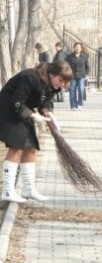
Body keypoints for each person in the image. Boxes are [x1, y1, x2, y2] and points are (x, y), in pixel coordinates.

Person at [0, 61, 73, 203]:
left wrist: (50, 116)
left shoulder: (53, 86)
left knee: (30, 146)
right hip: (7, 110)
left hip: (21, 110)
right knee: (16, 146)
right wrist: (33, 116)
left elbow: (44, 104)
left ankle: (28, 188)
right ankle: (7, 191)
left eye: (65, 82)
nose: (63, 84)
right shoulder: (30, 78)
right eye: (61, 80)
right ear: (52, 74)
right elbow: (16, 101)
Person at [65, 42, 89, 110]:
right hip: (72, 76)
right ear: (74, 48)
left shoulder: (84, 56)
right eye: (76, 47)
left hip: (81, 76)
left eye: (79, 47)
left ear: (81, 48)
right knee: (72, 90)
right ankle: (73, 106)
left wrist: (86, 74)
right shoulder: (69, 57)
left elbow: (87, 66)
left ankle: (80, 104)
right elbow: (66, 66)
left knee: (81, 89)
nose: (77, 48)